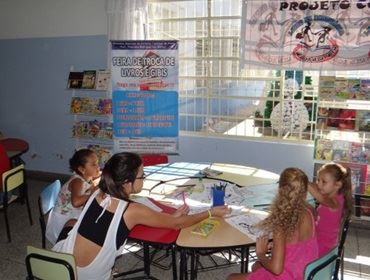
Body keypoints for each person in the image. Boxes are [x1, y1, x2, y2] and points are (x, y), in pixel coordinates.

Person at [53, 152, 231, 280]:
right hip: (88, 275)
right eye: (141, 176)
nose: (143, 179)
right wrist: (210, 212)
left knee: (72, 223)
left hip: (60, 261)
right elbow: (177, 225)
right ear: (127, 183)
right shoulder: (132, 210)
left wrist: (172, 217)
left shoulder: (97, 191)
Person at [228, 168, 318, 280]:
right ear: (305, 191)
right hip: (304, 272)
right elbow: (296, 243)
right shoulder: (309, 212)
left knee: (231, 277)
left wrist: (261, 254)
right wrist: (277, 245)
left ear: (280, 189)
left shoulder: (282, 223)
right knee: (256, 266)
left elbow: (276, 269)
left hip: (289, 276)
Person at [46, 149, 101, 245]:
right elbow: (76, 203)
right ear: (82, 169)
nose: (98, 167)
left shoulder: (87, 177)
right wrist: (92, 192)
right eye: (93, 165)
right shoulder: (77, 181)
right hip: (63, 222)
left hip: (71, 213)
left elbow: (90, 185)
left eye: (97, 163)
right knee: (95, 219)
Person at [309, 162, 353, 257]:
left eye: (324, 182)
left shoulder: (335, 202)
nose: (319, 185)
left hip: (322, 248)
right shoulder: (335, 196)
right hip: (321, 243)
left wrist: (303, 181)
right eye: (318, 180)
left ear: (337, 185)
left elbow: (320, 198)